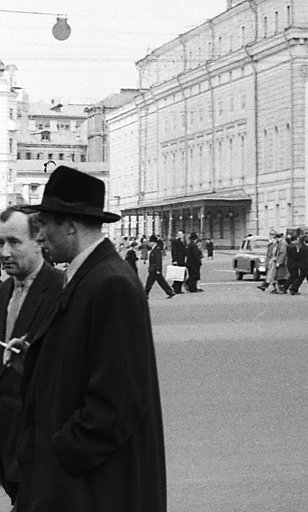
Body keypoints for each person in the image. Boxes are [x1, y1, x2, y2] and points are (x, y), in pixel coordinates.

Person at [19, 165, 168, 510]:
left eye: (43, 226)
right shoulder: (90, 276)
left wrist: (62, 454)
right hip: (81, 485)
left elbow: (119, 398)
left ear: (69, 226)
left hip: (92, 490)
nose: (38, 237)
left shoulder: (110, 282)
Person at [0, 206, 66, 505]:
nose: (4, 252)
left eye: (14, 242)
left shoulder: (61, 290)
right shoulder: (3, 290)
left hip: (39, 443)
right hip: (6, 442)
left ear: (38, 239)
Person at [169, 230, 187, 294]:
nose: (180, 235)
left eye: (181, 234)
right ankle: (177, 288)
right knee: (179, 275)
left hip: (182, 260)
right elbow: (173, 251)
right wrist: (174, 260)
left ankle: (176, 286)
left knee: (182, 274)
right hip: (178, 260)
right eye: (179, 234)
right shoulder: (176, 242)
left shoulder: (184, 241)